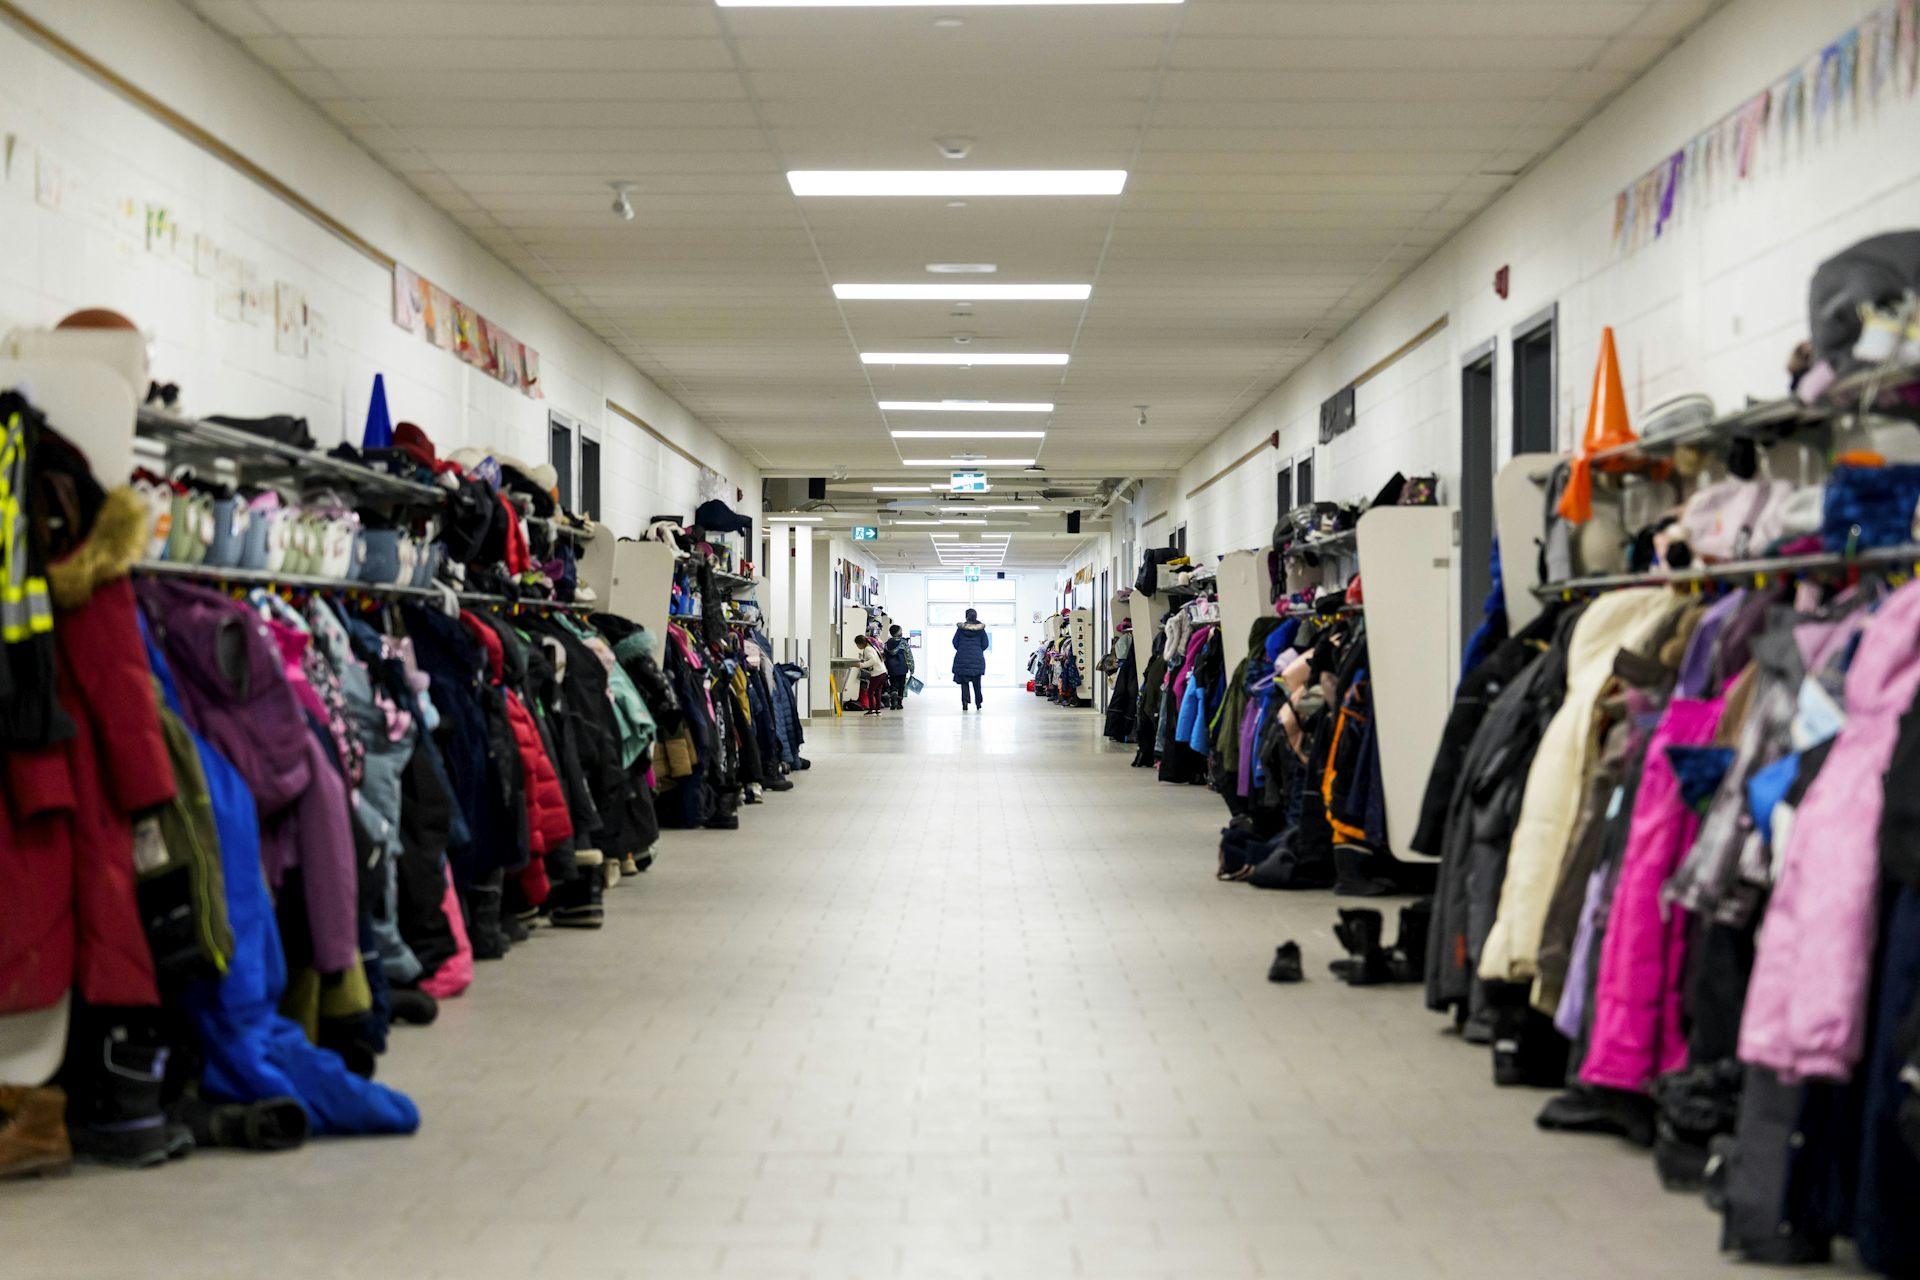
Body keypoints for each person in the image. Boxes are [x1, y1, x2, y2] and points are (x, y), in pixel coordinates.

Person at [952, 608, 991, 711]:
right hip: (977, 659)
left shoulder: (961, 629)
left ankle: (965, 703)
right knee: (977, 684)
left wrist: (962, 649)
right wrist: (978, 650)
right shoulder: (981, 630)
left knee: (964, 684)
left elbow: (955, 642)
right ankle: (978, 703)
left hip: (962, 659)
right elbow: (985, 644)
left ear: (966, 616)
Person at [852, 634, 888, 716]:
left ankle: (871, 710)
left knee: (870, 692)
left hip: (877, 673)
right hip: (883, 672)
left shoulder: (867, 649)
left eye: (857, 645)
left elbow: (873, 661)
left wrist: (861, 665)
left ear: (860, 643)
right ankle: (877, 710)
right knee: (878, 691)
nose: (857, 646)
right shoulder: (872, 647)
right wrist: (863, 661)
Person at [882, 625, 914, 709]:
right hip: (902, 668)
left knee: (893, 685)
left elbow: (883, 656)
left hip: (891, 668)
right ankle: (899, 703)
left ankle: (893, 700)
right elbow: (909, 656)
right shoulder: (903, 643)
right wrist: (912, 668)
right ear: (898, 633)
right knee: (901, 686)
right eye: (901, 631)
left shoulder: (887, 643)